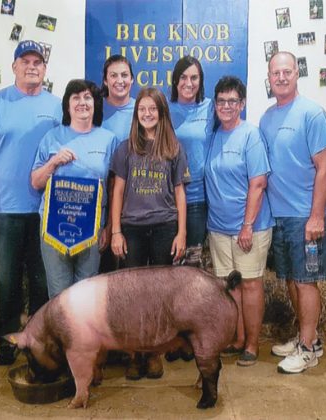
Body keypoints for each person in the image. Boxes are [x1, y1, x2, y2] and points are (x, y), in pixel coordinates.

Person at [0, 40, 61, 366]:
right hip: (7, 209)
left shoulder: (56, 106)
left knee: (41, 280)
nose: (32, 66)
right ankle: (8, 340)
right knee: (8, 279)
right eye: (26, 61)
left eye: (38, 61)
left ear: (45, 69)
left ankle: (36, 338)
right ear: (14, 67)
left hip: (46, 209)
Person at [261, 51, 326, 374]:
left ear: (296, 74)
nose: (280, 77)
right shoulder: (266, 118)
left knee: (306, 282)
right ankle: (308, 337)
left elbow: (325, 167)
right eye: (275, 73)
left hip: (307, 216)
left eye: (286, 72)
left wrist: (316, 216)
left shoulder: (312, 114)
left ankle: (307, 349)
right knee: (291, 279)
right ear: (269, 77)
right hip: (281, 216)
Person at [109, 87, 190, 380]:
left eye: (152, 109)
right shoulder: (125, 148)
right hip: (132, 228)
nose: (147, 114)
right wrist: (116, 231)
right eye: (142, 109)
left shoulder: (174, 148)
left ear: (161, 113)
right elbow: (117, 191)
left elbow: (180, 192)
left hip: (164, 227)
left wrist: (181, 233)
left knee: (159, 296)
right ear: (136, 113)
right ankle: (134, 353)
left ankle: (155, 354)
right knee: (131, 295)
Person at [205, 76, 274, 367]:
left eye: (233, 101)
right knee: (230, 286)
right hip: (218, 227)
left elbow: (258, 183)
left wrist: (247, 225)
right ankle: (236, 338)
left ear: (242, 104)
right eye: (221, 101)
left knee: (250, 285)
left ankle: (252, 344)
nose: (226, 106)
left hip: (249, 228)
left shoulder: (251, 135)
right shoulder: (214, 135)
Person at [31, 79, 118, 298]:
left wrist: (108, 227)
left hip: (92, 228)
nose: (82, 102)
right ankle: (62, 334)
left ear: (95, 103)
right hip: (53, 228)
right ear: (67, 105)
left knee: (86, 295)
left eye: (87, 97)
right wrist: (53, 163)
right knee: (59, 295)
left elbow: (115, 187)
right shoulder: (51, 138)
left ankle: (83, 334)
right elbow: (35, 182)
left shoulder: (109, 140)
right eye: (76, 97)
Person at [168, 56, 212, 266]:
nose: (189, 83)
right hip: (167, 199)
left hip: (198, 199)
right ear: (175, 80)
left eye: (194, 77)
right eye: (183, 77)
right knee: (169, 264)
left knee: (192, 263)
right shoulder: (164, 110)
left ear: (201, 81)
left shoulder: (212, 108)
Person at [98, 55, 136, 274]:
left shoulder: (143, 110)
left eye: (124, 75)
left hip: (134, 201)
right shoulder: (94, 110)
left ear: (132, 80)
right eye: (113, 75)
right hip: (102, 202)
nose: (119, 80)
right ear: (105, 81)